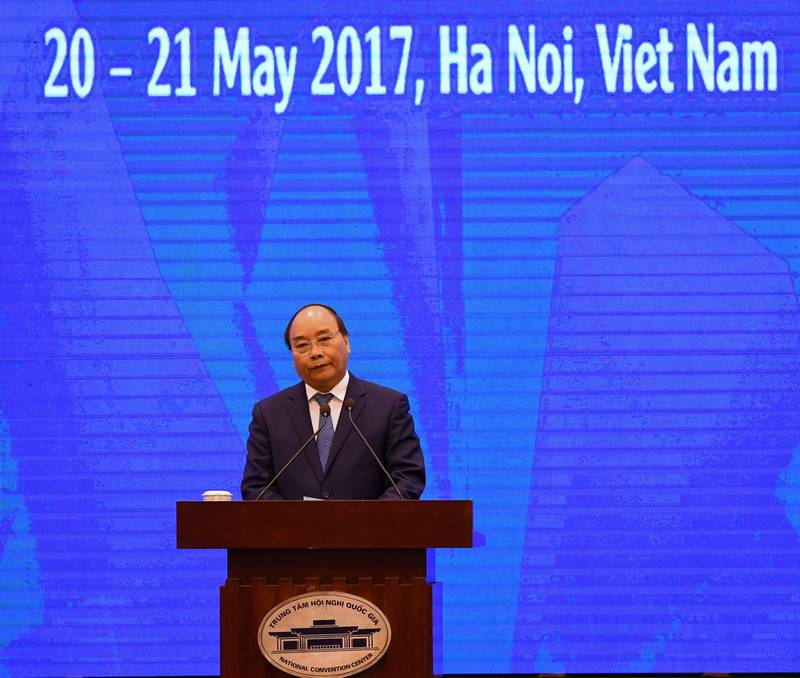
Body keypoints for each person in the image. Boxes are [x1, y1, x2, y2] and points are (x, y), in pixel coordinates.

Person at [241, 304, 426, 500]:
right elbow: (256, 487)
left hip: (369, 529)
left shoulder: (388, 406)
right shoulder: (269, 414)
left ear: (346, 341)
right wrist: (296, 524)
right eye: (302, 345)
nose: (315, 352)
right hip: (292, 530)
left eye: (324, 339)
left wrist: (367, 523)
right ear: (292, 356)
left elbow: (407, 480)